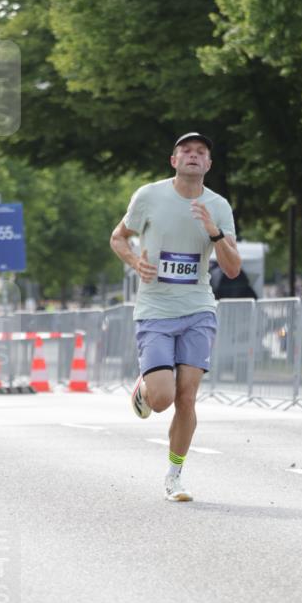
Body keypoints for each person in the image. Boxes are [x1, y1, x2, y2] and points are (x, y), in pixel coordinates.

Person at [110, 133, 241, 502]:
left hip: (198, 309)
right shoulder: (149, 196)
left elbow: (232, 268)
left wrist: (215, 233)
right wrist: (135, 262)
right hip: (155, 310)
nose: (193, 156)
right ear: (174, 161)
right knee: (163, 399)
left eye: (201, 152)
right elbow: (118, 237)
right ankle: (147, 388)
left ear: (209, 164)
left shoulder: (218, 206)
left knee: (186, 397)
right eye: (186, 151)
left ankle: (174, 475)